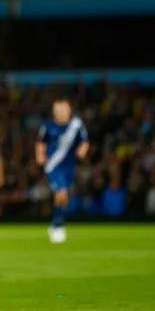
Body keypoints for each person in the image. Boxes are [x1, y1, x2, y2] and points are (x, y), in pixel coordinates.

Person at [35, 98, 89, 243]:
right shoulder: (47, 127)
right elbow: (40, 142)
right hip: (53, 166)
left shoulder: (76, 126)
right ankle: (57, 226)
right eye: (58, 110)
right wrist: (40, 155)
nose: (62, 113)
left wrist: (82, 150)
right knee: (61, 193)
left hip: (69, 166)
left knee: (63, 196)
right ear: (54, 112)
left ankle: (56, 222)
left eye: (64, 110)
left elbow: (84, 141)